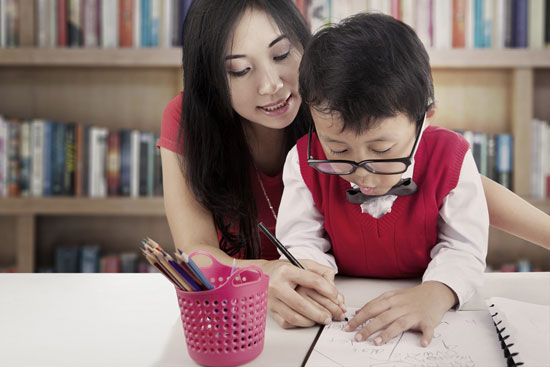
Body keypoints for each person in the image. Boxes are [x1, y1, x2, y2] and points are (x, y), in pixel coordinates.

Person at [159, 0, 550, 330]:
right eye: (239, 70)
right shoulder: (194, 122)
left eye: (281, 55)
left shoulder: (336, 105)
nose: (271, 86)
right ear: (210, 78)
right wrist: (271, 274)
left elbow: (451, 181)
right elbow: (195, 252)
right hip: (258, 315)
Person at [276, 12, 489, 347]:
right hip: (344, 311)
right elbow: (302, 239)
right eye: (338, 148)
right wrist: (307, 276)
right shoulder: (303, 160)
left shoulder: (453, 157)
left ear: (424, 119)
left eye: (382, 149)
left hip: (423, 304)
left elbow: (464, 248)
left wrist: (437, 293)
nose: (361, 173)